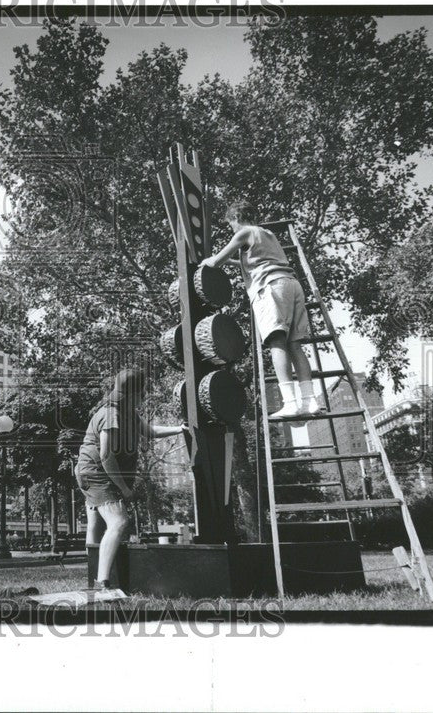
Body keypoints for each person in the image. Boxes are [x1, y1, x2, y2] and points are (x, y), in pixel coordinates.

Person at [201, 199, 324, 418]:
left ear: (236, 218)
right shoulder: (268, 235)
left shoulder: (244, 232)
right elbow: (255, 261)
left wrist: (206, 261)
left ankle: (291, 403)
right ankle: (310, 401)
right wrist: (232, 262)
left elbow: (215, 262)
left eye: (231, 225)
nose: (232, 229)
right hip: (291, 284)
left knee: (277, 342)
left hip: (270, 288)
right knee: (295, 345)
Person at [75, 368, 188, 595]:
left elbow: (150, 431)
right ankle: (103, 583)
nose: (144, 396)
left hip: (94, 473)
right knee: (118, 522)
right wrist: (124, 489)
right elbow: (106, 455)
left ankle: (95, 577)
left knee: (97, 525)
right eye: (141, 392)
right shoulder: (111, 414)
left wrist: (180, 429)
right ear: (132, 394)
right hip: (97, 473)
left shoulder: (129, 413)